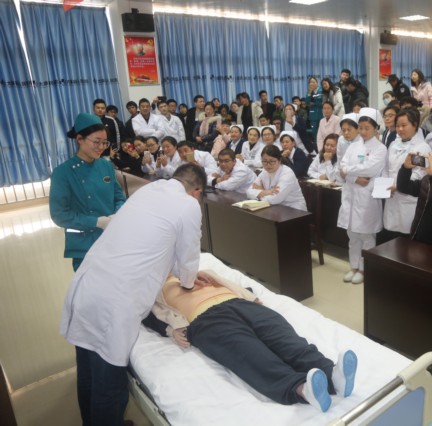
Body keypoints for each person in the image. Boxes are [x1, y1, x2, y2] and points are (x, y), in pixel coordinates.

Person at [59, 163, 207, 425]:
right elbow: (188, 257)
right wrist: (188, 282)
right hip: (113, 299)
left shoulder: (148, 190)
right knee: (109, 384)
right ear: (197, 191)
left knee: (87, 370)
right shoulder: (189, 205)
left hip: (87, 283)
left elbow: (154, 240)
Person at [142, 270, 358, 412]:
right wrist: (170, 330)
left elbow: (232, 284)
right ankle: (301, 389)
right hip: (206, 319)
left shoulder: (197, 271)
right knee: (251, 355)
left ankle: (332, 375)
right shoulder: (152, 290)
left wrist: (250, 297)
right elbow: (145, 315)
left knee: (286, 340)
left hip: (240, 304)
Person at [49, 113, 126, 271]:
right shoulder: (63, 172)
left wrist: (117, 215)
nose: (101, 147)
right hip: (84, 245)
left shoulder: (105, 166)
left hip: (112, 238)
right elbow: (59, 215)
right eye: (96, 142)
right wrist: (96, 222)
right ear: (80, 139)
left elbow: (119, 197)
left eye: (104, 142)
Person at [338, 108, 387, 284]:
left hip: (367, 197)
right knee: (352, 235)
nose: (363, 131)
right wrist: (354, 177)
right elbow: (341, 167)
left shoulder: (380, 149)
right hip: (351, 194)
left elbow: (370, 169)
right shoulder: (353, 146)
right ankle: (353, 266)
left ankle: (365, 269)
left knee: (367, 236)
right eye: (361, 127)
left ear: (376, 128)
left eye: (367, 128)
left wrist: (348, 172)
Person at [382, 108, 431, 242]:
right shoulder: (393, 144)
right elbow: (386, 167)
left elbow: (419, 174)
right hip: (391, 196)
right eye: (398, 125)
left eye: (404, 125)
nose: (400, 129)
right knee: (390, 237)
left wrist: (398, 186)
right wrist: (385, 185)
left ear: (415, 125)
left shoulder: (422, 147)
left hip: (408, 198)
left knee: (405, 239)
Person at [246, 145, 307, 211]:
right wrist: (266, 192)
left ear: (279, 160)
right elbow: (248, 191)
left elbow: (274, 199)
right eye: (264, 161)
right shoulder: (264, 172)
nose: (268, 165)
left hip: (293, 210)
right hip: (274, 208)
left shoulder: (287, 173)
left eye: (272, 161)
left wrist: (259, 193)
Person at [306, 77, 324, 144]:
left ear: (317, 83)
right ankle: (316, 145)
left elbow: (323, 103)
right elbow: (307, 102)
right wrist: (309, 93)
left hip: (321, 114)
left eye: (313, 82)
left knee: (322, 132)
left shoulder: (321, 90)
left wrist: (315, 104)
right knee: (314, 132)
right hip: (313, 116)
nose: (312, 83)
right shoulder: (309, 92)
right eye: (310, 82)